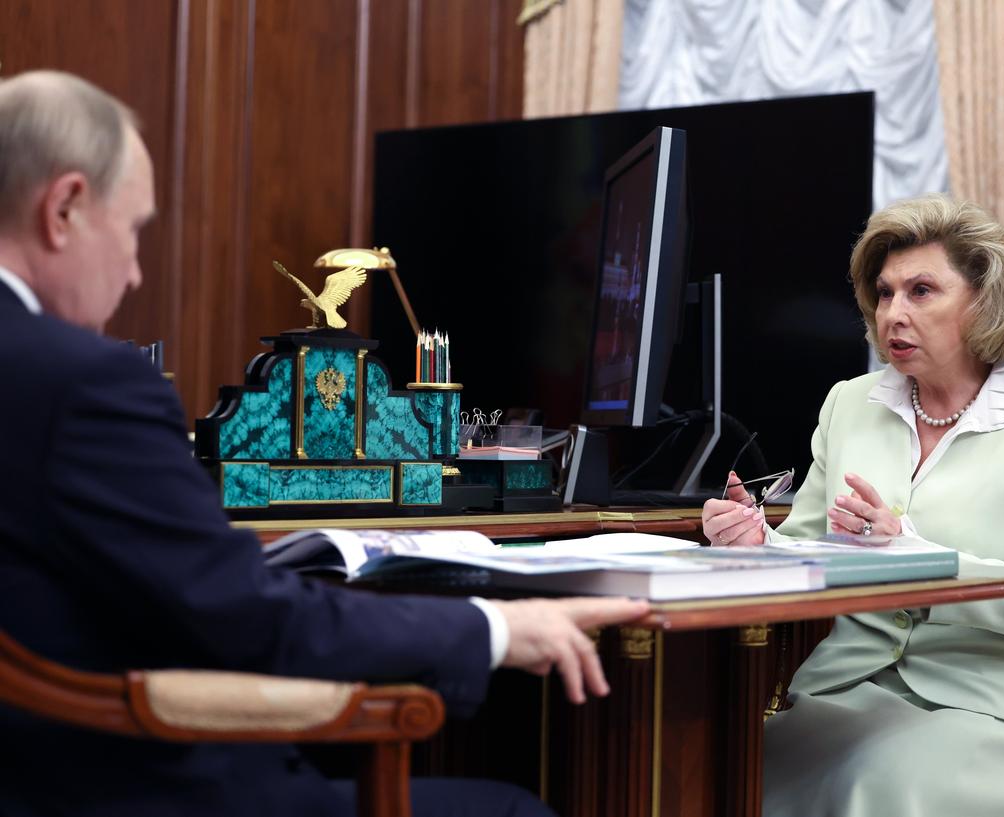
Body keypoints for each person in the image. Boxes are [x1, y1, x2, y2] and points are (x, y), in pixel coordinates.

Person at [0, 70, 648, 817]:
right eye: (134, 230)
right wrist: (495, 626)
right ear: (65, 208)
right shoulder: (83, 384)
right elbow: (246, 616)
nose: (137, 270)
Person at [702, 194, 1004, 816]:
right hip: (852, 687)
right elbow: (809, 543)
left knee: (875, 784)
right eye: (885, 292)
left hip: (1000, 703)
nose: (894, 312)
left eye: (922, 290)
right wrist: (757, 544)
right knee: (729, 772)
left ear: (985, 301)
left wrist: (917, 561)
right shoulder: (849, 404)